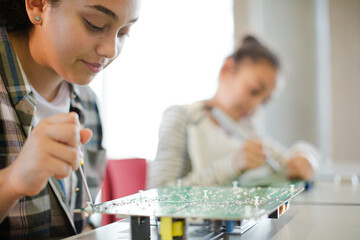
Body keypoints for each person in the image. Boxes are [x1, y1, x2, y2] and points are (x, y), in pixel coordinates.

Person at [0, 0, 140, 239]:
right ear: (37, 5)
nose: (111, 50)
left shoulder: (88, 104)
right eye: (94, 24)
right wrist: (13, 181)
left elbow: (78, 223)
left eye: (123, 33)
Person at [147, 35, 319, 189]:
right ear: (227, 69)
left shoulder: (247, 129)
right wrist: (233, 166)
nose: (255, 107)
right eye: (254, 91)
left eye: (264, 102)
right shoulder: (183, 118)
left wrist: (306, 156)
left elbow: (285, 159)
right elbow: (160, 194)